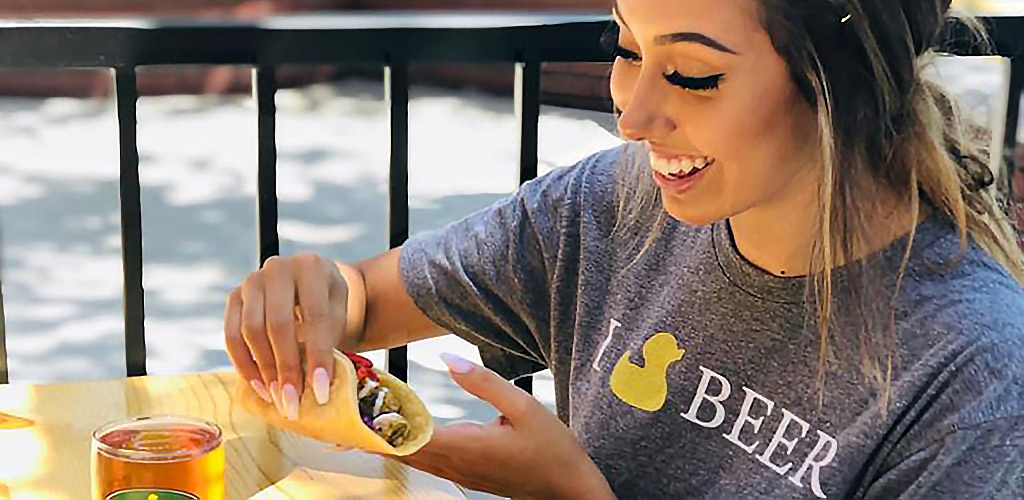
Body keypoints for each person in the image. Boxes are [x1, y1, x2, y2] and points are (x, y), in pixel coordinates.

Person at [222, 0, 1024, 498]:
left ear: (840, 85)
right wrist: (318, 292)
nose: (633, 117)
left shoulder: (972, 367)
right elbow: (367, 301)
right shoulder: (611, 205)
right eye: (628, 46)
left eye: (692, 74)